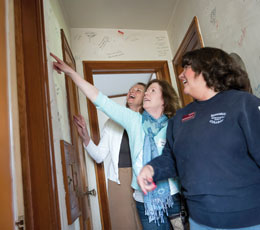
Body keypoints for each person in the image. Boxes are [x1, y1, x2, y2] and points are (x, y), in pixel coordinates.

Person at [51, 52, 182, 230]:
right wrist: (72, 73)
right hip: (138, 193)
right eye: (145, 90)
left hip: (171, 195)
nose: (137, 93)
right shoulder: (133, 121)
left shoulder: (174, 124)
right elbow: (102, 101)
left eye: (148, 90)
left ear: (164, 100)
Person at [137, 47, 260, 230]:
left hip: (249, 219)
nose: (180, 75)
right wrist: (151, 168)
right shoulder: (179, 118)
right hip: (199, 220)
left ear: (206, 68)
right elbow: (171, 158)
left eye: (186, 67)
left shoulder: (245, 103)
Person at [73, 82, 145, 230]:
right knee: (123, 225)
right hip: (118, 180)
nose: (132, 91)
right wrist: (85, 137)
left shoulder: (148, 121)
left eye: (138, 90)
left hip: (143, 178)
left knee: (147, 223)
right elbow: (99, 156)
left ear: (146, 98)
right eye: (131, 89)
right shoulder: (111, 123)